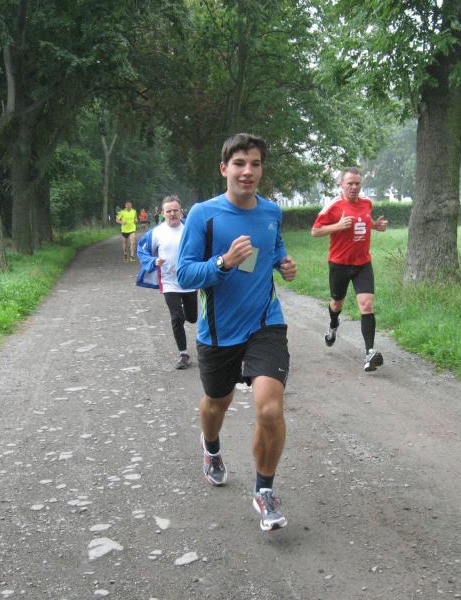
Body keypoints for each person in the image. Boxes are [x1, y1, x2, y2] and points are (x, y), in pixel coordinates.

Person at [177, 133, 297, 532]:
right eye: (240, 163)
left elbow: (274, 248)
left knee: (270, 409)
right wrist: (223, 263)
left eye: (256, 164)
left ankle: (264, 491)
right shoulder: (203, 215)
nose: (248, 171)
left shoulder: (272, 211)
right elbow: (184, 273)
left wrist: (283, 263)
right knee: (218, 402)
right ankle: (211, 447)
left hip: (265, 323)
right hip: (218, 331)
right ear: (224, 168)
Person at [311, 167, 388, 371]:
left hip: (363, 263)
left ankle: (370, 353)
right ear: (341, 184)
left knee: (367, 305)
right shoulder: (333, 206)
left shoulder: (367, 203)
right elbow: (315, 231)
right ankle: (333, 324)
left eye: (357, 183)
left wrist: (376, 226)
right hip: (339, 264)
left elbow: (364, 221)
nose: (354, 187)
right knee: (337, 303)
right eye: (350, 183)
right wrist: (337, 226)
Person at [135, 196, 197, 370]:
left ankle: (186, 313)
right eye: (168, 211)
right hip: (169, 281)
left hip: (190, 280)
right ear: (162, 213)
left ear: (181, 211)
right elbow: (141, 250)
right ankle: (183, 354)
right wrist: (153, 261)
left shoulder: (190, 228)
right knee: (177, 318)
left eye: (175, 210)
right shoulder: (156, 233)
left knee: (192, 317)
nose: (172, 214)